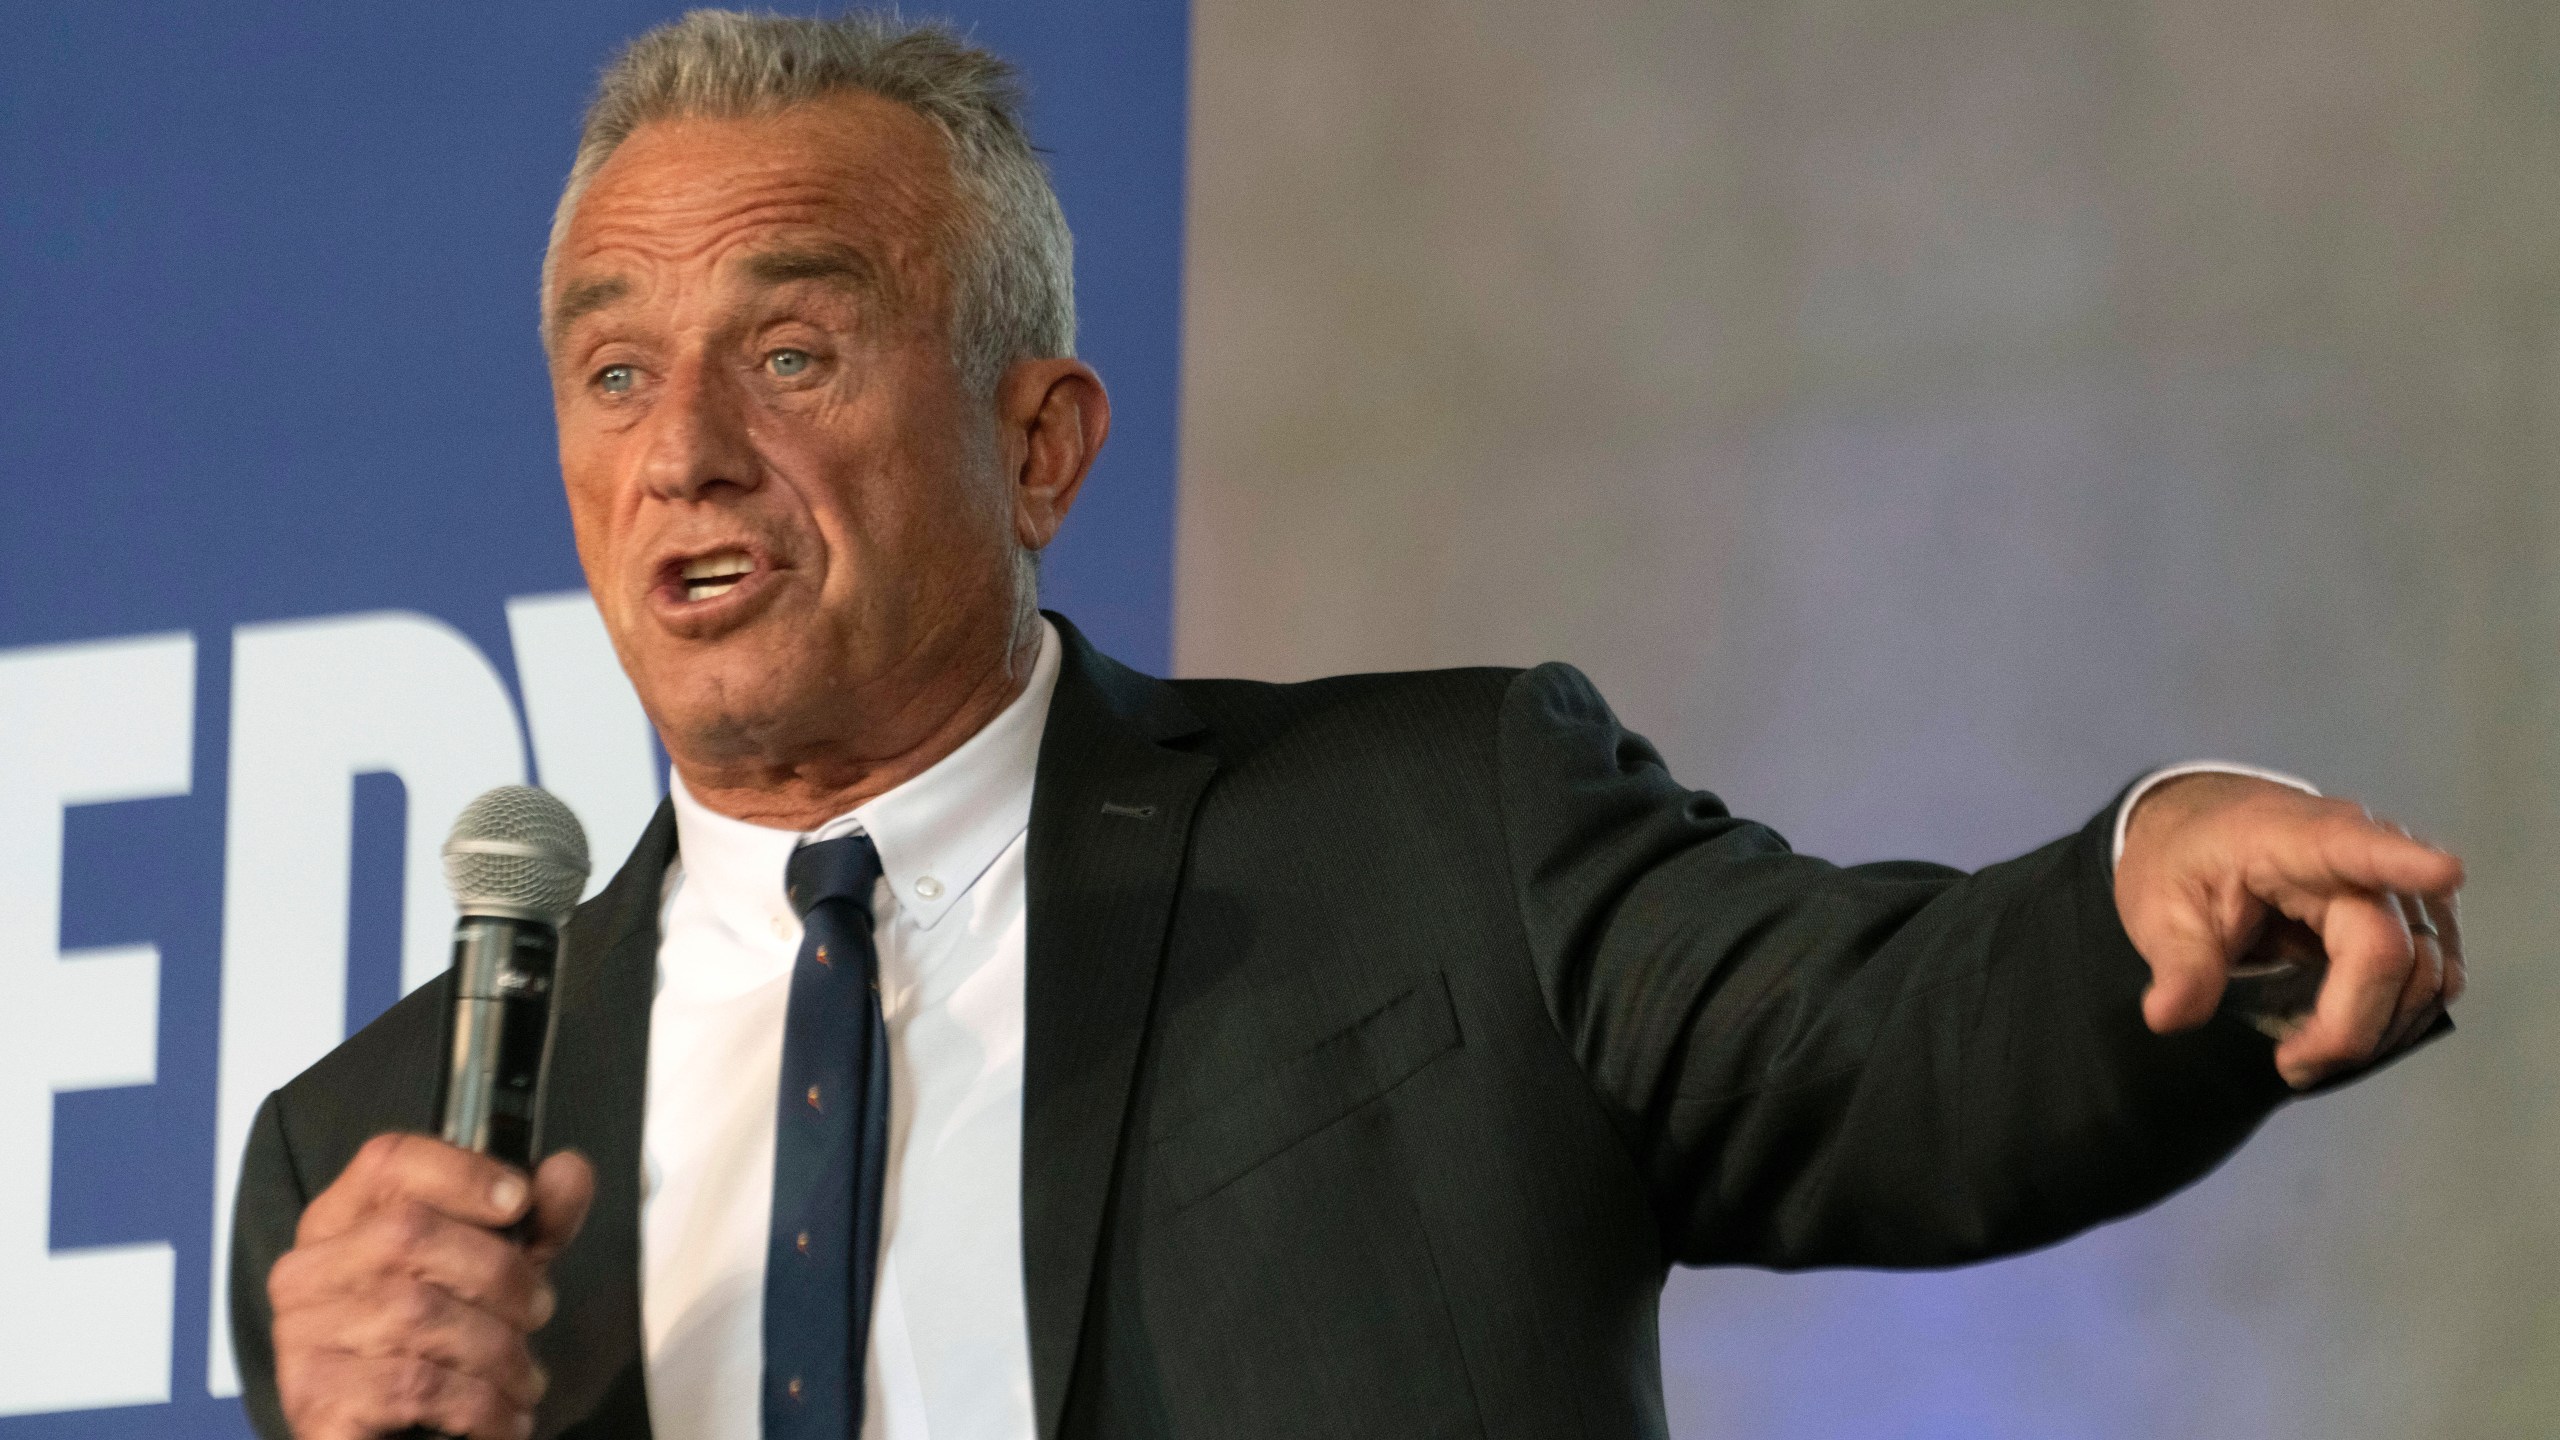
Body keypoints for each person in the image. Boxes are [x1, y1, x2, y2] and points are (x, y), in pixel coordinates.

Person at [225, 12, 2465, 1440]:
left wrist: (2136, 902)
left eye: (793, 349)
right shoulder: (370, 1172)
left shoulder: (1434, 834)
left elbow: (1880, 1045)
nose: (684, 447)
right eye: (615, 372)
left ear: (1039, 443)